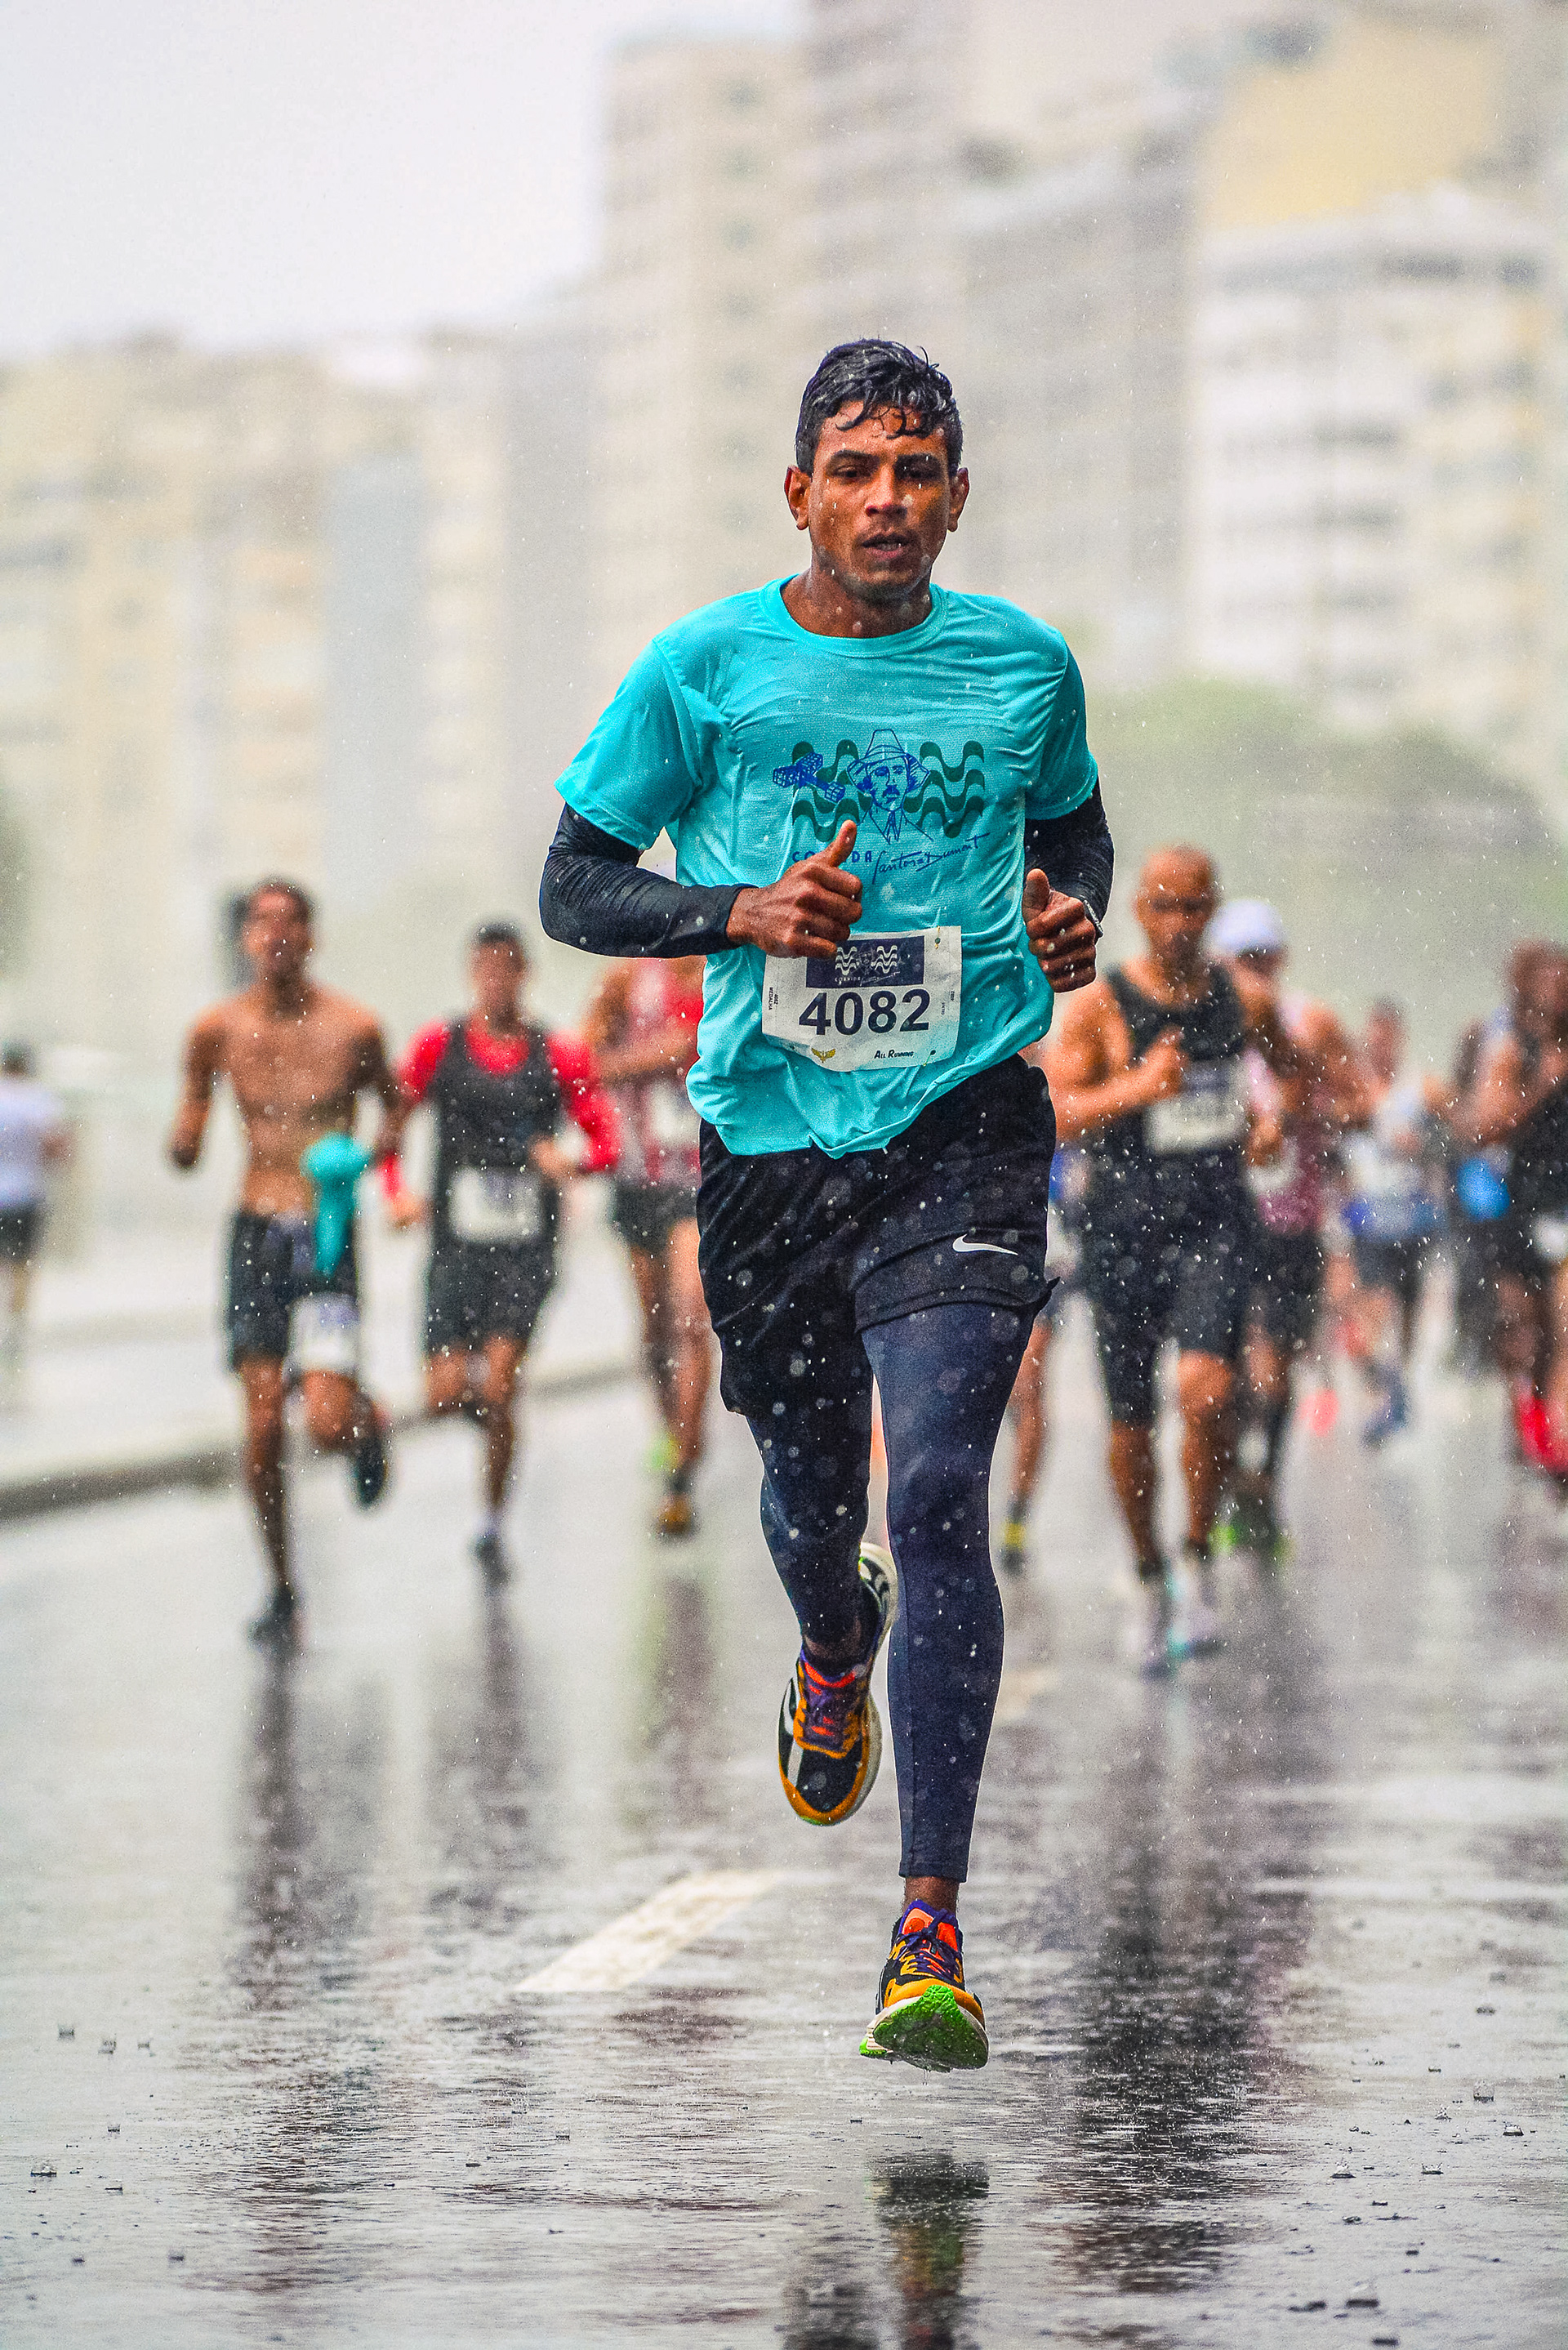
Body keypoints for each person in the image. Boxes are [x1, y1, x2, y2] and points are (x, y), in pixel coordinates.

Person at [539, 338, 1113, 2071]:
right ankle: (828, 1644)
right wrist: (738, 913)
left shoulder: (1025, 665)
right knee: (807, 1498)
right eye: (855, 470)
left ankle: (928, 1922)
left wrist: (1067, 917)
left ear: (959, 490)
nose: (889, 500)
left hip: (966, 1122)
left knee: (939, 1478)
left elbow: (1072, 839)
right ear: (798, 490)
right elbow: (575, 880)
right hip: (774, 1140)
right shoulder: (703, 667)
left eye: (918, 469)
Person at [1045, 849, 1295, 1674]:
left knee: (1208, 1390)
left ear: (1211, 910)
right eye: (1164, 907)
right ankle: (1147, 1576)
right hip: (1121, 1232)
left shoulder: (1243, 998)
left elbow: (1292, 1074)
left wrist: (1269, 1124)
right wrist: (1137, 1090)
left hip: (1215, 1225)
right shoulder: (1100, 1006)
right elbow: (1057, 1112)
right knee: (1131, 1426)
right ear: (1141, 912)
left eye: (1194, 908)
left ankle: (1195, 1559)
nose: (1180, 925)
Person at [168, 880, 407, 1642]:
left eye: (289, 922)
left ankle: (366, 1420)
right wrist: (183, 1139)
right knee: (265, 1423)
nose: (275, 935)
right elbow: (189, 1128)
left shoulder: (355, 1026)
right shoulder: (216, 1029)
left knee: (326, 1425)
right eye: (261, 922)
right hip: (256, 1236)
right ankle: (281, 1586)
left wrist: (366, 1156)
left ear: (312, 936)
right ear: (244, 938)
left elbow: (396, 1105)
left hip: (329, 1239)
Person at [386, 922, 619, 1583]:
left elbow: (605, 1143)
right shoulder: (439, 1047)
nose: (495, 981)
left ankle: (491, 1524)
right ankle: (451, 1423)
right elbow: (392, 1128)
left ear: (524, 975)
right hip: (456, 1247)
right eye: (484, 968)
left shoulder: (558, 1056)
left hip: (525, 1250)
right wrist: (398, 1192)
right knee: (442, 1394)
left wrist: (568, 1160)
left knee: (501, 1379)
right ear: (470, 974)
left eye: (506, 969)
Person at [1207, 900, 1369, 1554]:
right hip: (1219, 1219)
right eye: (1241, 959)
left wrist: (1313, 1106)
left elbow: (1359, 1099)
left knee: (1278, 1366)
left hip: (1292, 1222)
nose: (1254, 971)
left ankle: (1261, 1481)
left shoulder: (1312, 1020)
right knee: (1223, 1368)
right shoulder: (1199, 1025)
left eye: (1262, 958)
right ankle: (1231, 1485)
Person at [582, 954, 714, 1536]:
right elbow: (583, 1064)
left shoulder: (726, 968)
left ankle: (681, 1472)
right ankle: (672, 1433)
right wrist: (645, 1055)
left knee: (691, 1318)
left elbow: (695, 1044)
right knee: (654, 1329)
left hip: (698, 1176)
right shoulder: (626, 980)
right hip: (637, 1176)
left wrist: (658, 1054)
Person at [1465, 945, 1568, 1478]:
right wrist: (1540, 1087)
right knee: (1525, 1326)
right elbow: (1483, 1126)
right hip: (1521, 1204)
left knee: (1562, 1324)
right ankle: (1527, 1414)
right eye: (1548, 981)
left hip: (1564, 1203)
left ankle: (1555, 1433)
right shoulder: (1512, 1048)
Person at [1339, 1001, 1447, 1445]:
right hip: (1366, 1219)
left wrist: (1423, 1146)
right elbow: (1332, 1137)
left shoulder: (1422, 1088)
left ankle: (1396, 1387)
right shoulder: (1354, 1090)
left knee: (1406, 1312)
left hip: (1412, 1218)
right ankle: (1386, 1389)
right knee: (1371, 1311)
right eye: (1374, 1039)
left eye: (1387, 1039)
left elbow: (1457, 1139)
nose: (1380, 1047)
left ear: (1399, 1041)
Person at [996, 1125, 1087, 1576]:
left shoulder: (1054, 1074)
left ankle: (1017, 1515)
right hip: (982, 1250)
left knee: (1028, 1384)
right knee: (999, 1391)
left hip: (1045, 1257)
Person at [0, 1042, 70, 1393]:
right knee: (22, 1264)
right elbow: (57, 1146)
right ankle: (15, 1328)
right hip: (27, 1194)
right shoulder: (38, 1099)